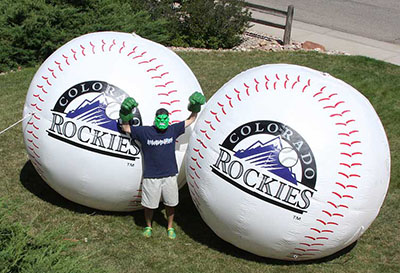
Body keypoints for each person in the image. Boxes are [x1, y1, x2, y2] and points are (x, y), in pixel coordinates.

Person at [119, 92, 206, 239]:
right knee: (149, 205)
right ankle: (148, 226)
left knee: (171, 203)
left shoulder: (172, 130)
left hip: (170, 174)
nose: (162, 121)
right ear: (155, 119)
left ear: (168, 119)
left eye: (165, 118)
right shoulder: (146, 131)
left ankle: (170, 227)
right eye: (159, 118)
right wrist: (125, 113)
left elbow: (191, 119)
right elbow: (126, 128)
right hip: (151, 175)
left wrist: (195, 107)